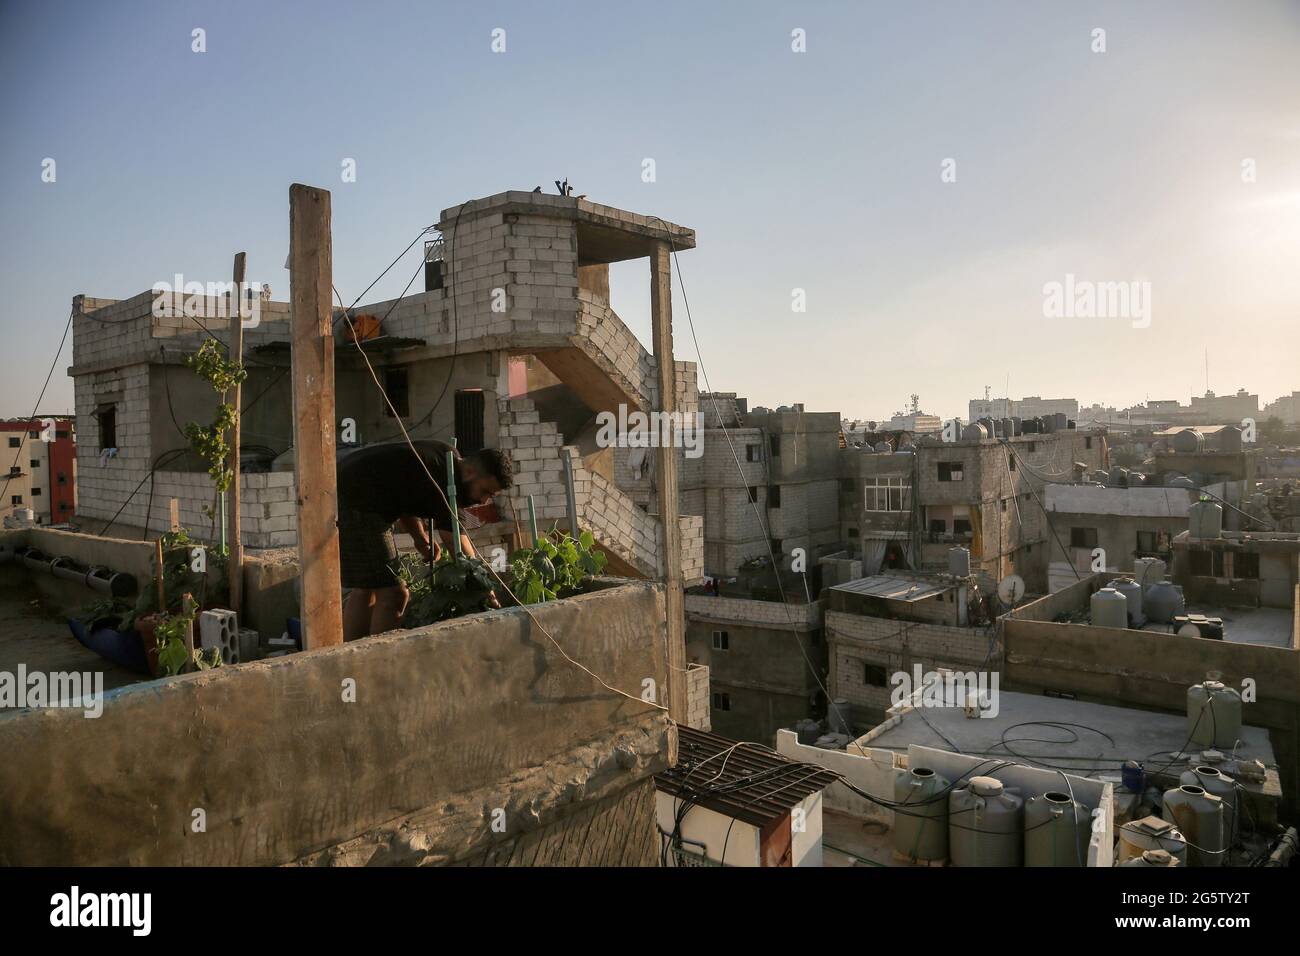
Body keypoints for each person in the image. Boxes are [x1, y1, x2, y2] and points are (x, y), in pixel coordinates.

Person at [336, 440, 513, 640]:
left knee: (367, 587)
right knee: (394, 593)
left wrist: (420, 538)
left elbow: (400, 498)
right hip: (356, 503)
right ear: (471, 472)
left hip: (347, 492)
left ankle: (349, 657)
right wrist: (485, 588)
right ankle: (380, 661)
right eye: (485, 492)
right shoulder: (443, 479)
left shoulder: (444, 456)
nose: (483, 501)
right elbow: (456, 540)